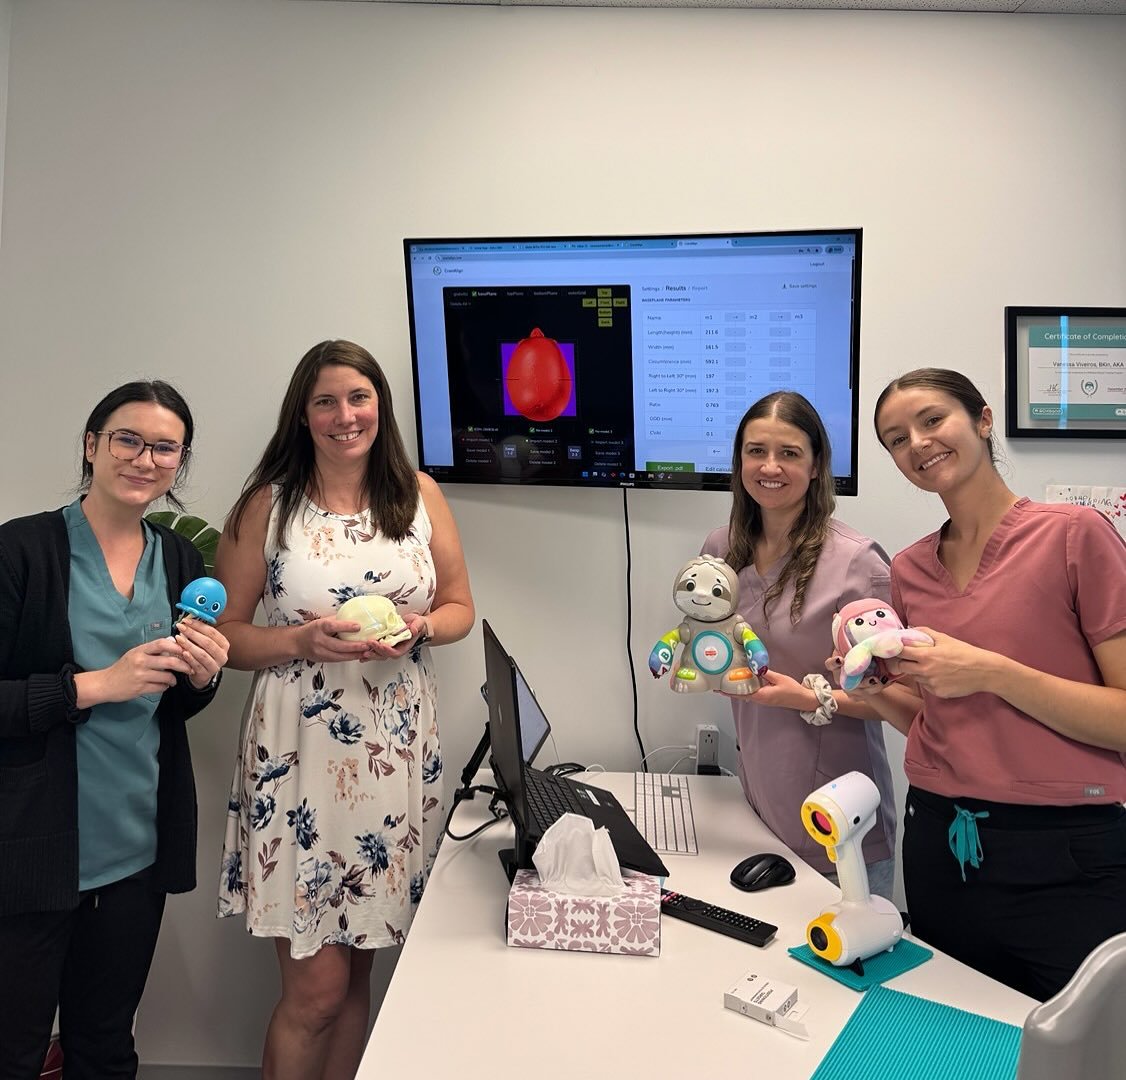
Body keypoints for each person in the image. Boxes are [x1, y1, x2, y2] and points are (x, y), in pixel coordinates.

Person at [215, 340, 474, 1080]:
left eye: (358, 398)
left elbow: (459, 608)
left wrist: (420, 626)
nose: (344, 415)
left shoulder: (419, 495)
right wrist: (298, 638)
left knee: (360, 971)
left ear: (380, 407)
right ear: (303, 414)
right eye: (325, 401)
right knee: (316, 989)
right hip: (301, 757)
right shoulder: (267, 505)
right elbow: (226, 638)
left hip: (392, 755)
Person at [870, 367, 1126, 1001]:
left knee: (1074, 1052)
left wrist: (991, 671)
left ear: (983, 419)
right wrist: (873, 693)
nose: (918, 444)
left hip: (1068, 857)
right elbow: (940, 720)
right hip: (938, 843)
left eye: (932, 420)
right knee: (955, 1035)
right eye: (897, 439)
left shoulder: (1075, 535)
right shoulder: (908, 570)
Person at [0, 381, 229, 1080]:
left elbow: (172, 707)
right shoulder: (23, 552)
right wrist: (96, 685)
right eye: (128, 439)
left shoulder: (181, 562)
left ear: (179, 463)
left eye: (165, 447)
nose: (145, 458)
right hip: (30, 852)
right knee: (13, 1052)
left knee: (104, 1045)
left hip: (134, 848)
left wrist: (201, 678)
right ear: (92, 446)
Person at [700, 390, 899, 898]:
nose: (770, 466)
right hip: (757, 798)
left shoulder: (857, 563)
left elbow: (902, 704)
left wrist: (807, 698)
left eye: (789, 453)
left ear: (815, 466)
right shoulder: (721, 550)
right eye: (755, 451)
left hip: (840, 817)